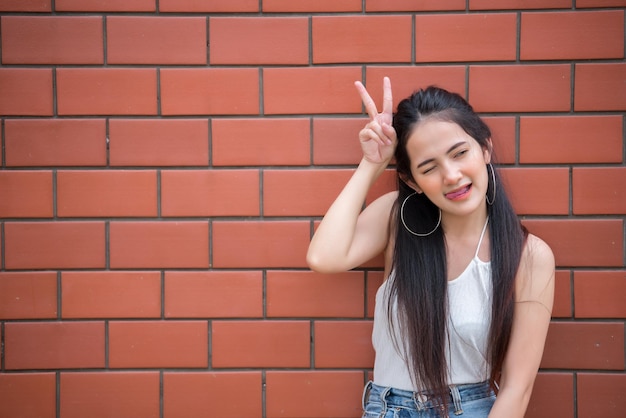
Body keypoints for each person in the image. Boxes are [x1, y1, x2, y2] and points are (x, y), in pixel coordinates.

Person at [306, 77, 555, 418]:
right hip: (386, 409)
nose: (451, 175)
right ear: (412, 181)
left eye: (460, 153)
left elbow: (517, 387)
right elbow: (323, 257)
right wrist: (372, 164)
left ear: (485, 148)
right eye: (429, 167)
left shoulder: (529, 256)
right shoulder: (397, 219)